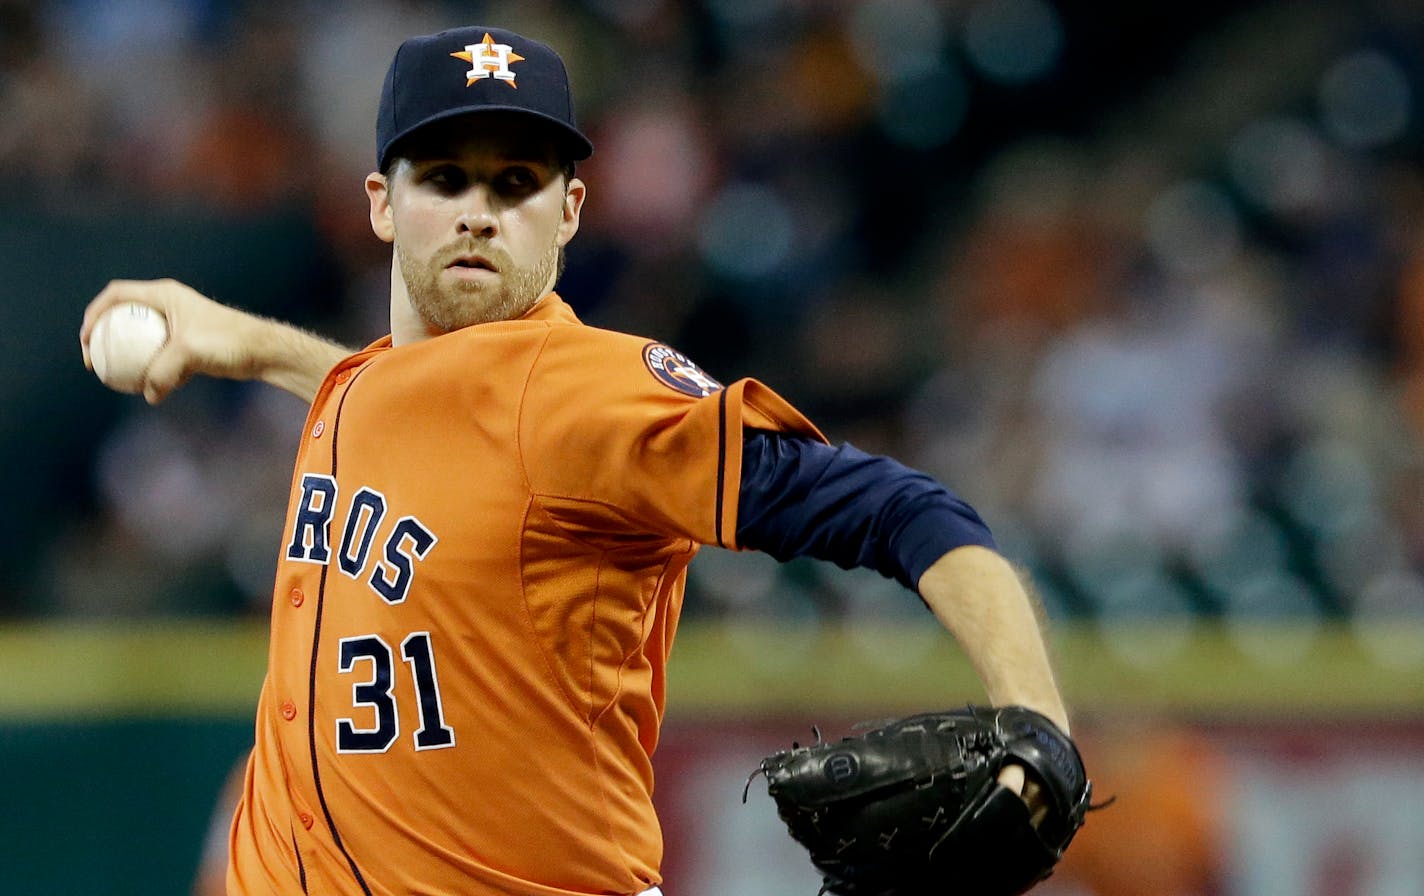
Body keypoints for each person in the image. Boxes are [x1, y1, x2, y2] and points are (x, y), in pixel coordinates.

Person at [81, 25, 1072, 896]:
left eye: (517, 184)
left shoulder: (596, 394)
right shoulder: (367, 388)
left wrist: (1035, 715)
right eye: (446, 178)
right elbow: (412, 405)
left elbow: (904, 510)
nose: (479, 211)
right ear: (382, 204)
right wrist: (248, 344)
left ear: (568, 213)